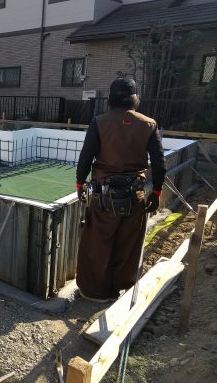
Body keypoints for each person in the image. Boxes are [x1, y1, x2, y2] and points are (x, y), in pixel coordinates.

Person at [75, 78, 166, 303]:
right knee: (128, 243)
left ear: (111, 98)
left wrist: (79, 184)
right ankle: (119, 289)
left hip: (103, 195)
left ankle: (95, 292)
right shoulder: (149, 124)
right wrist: (156, 192)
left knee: (97, 243)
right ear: (135, 98)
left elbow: (85, 158)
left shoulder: (99, 122)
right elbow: (159, 163)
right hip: (135, 194)